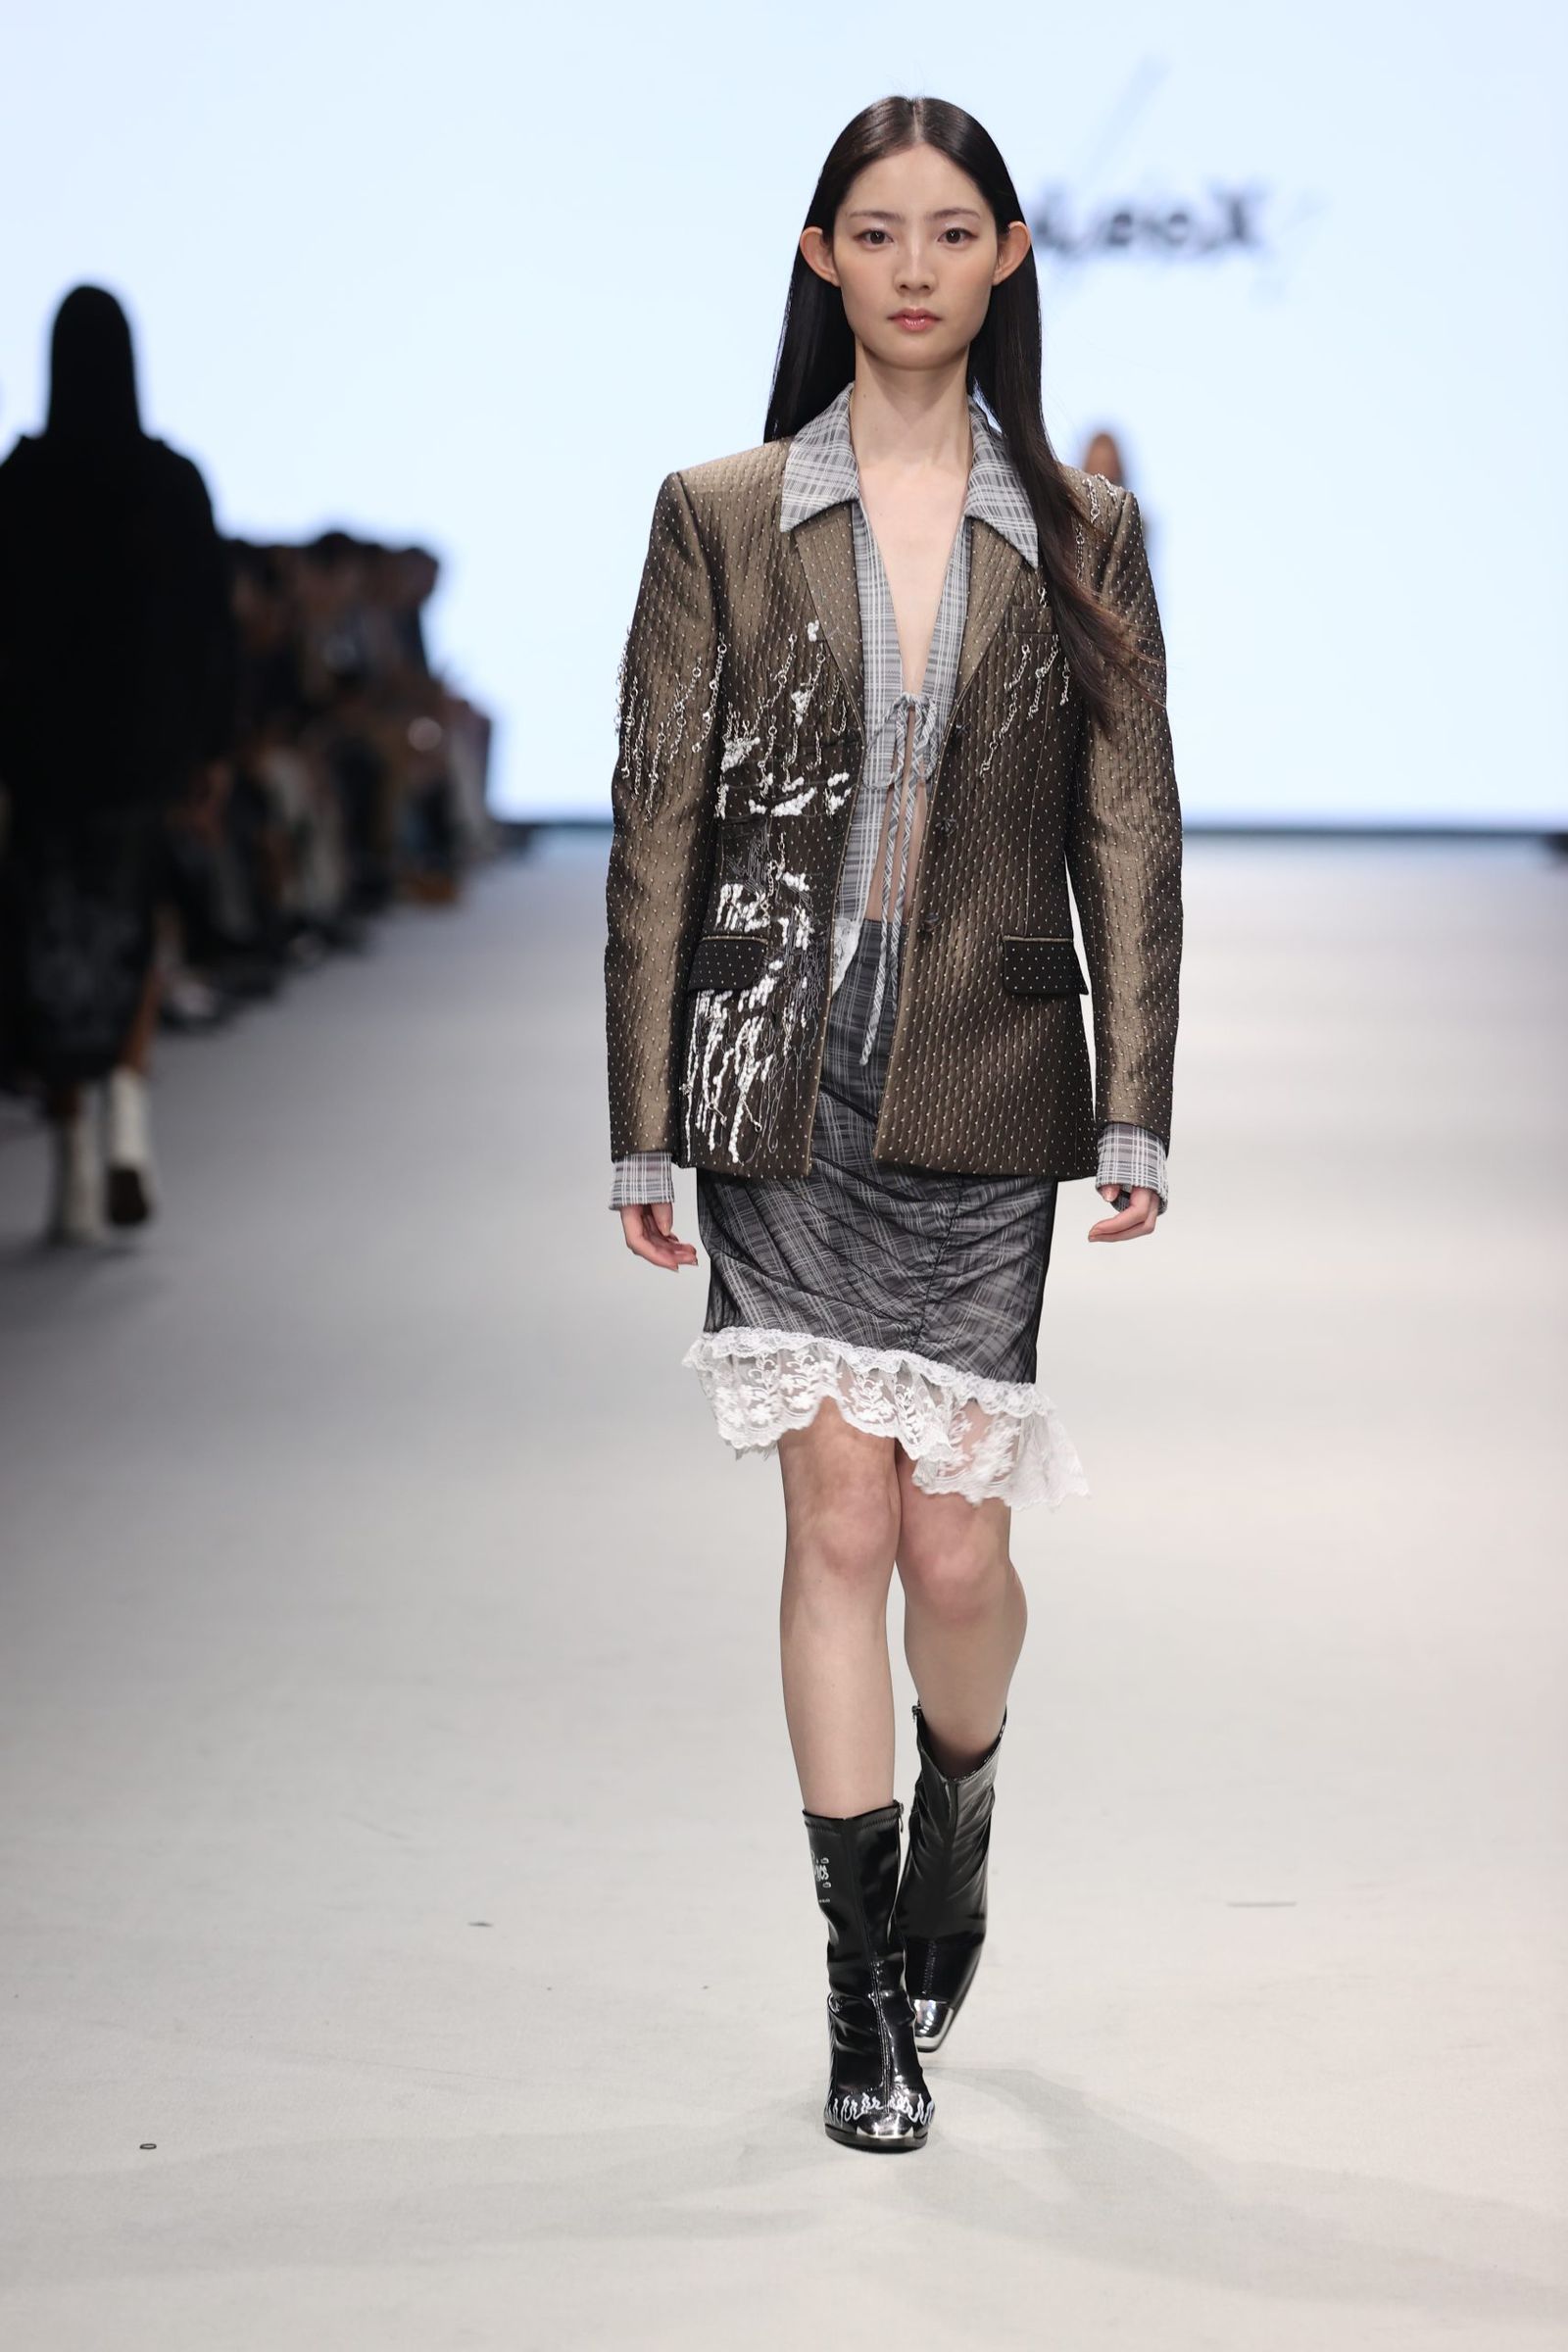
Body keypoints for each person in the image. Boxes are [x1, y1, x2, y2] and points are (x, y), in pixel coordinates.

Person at [604, 96, 1182, 2154]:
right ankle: (861, 2002)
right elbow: (656, 817)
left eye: (950, 231)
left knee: (954, 1548)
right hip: (775, 1065)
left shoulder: (1083, 529)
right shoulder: (719, 512)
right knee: (835, 1526)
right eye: (876, 230)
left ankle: (966, 1786)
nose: (914, 266)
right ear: (820, 255)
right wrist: (640, 1119)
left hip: (983, 1071)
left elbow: (1128, 823)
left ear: (1006, 256)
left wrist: (1134, 1105)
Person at [0, 285, 235, 1241]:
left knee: (52, 939)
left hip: (44, 752)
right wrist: (211, 747)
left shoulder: (20, 480)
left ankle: (69, 1164)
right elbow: (210, 626)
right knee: (134, 921)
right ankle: (128, 1120)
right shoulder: (171, 481)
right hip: (145, 747)